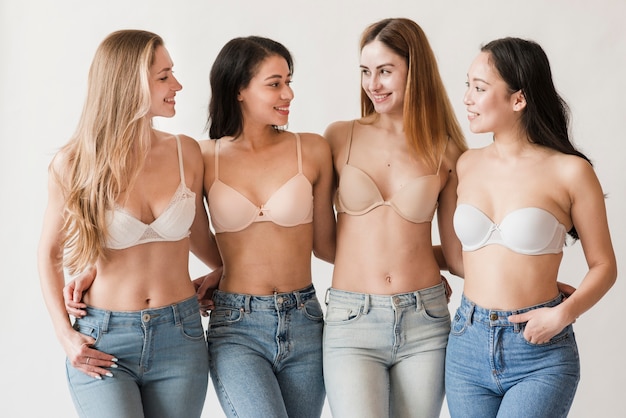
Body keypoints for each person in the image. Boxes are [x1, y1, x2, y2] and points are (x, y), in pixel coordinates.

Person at [38, 30, 221, 418]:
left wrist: (224, 271)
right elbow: (49, 253)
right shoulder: (73, 163)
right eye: (164, 76)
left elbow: (202, 238)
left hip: (181, 334)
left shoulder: (186, 151)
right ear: (129, 82)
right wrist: (65, 336)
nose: (178, 84)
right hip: (103, 339)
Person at [445, 37, 617, 418]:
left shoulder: (571, 171)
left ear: (518, 99)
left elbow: (605, 265)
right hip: (466, 343)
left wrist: (562, 314)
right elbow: (464, 256)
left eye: (479, 87)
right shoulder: (466, 164)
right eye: (467, 85)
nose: (467, 98)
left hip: (538, 351)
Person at [322, 18, 466, 418]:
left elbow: (456, 257)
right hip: (352, 320)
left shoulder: (447, 150)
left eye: (385, 71)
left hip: (427, 319)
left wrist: (533, 278)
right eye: (366, 72)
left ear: (414, 71)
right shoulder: (339, 137)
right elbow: (319, 240)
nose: (373, 84)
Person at [197, 36, 336, 418]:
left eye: (289, 81)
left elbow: (328, 246)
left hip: (305, 318)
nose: (287, 93)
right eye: (274, 84)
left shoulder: (311, 149)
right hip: (236, 325)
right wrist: (230, 266)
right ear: (238, 89)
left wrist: (415, 270)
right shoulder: (204, 157)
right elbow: (187, 231)